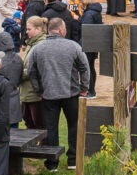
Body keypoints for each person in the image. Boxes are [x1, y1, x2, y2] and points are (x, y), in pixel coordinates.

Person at [28, 20, 91, 165]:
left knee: (50, 128)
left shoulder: (38, 48)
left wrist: (38, 90)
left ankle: (52, 162)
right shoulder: (73, 46)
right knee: (74, 126)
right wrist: (84, 87)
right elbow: (85, 68)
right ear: (62, 30)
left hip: (48, 95)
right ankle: (73, 160)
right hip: (71, 94)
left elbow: (31, 71)